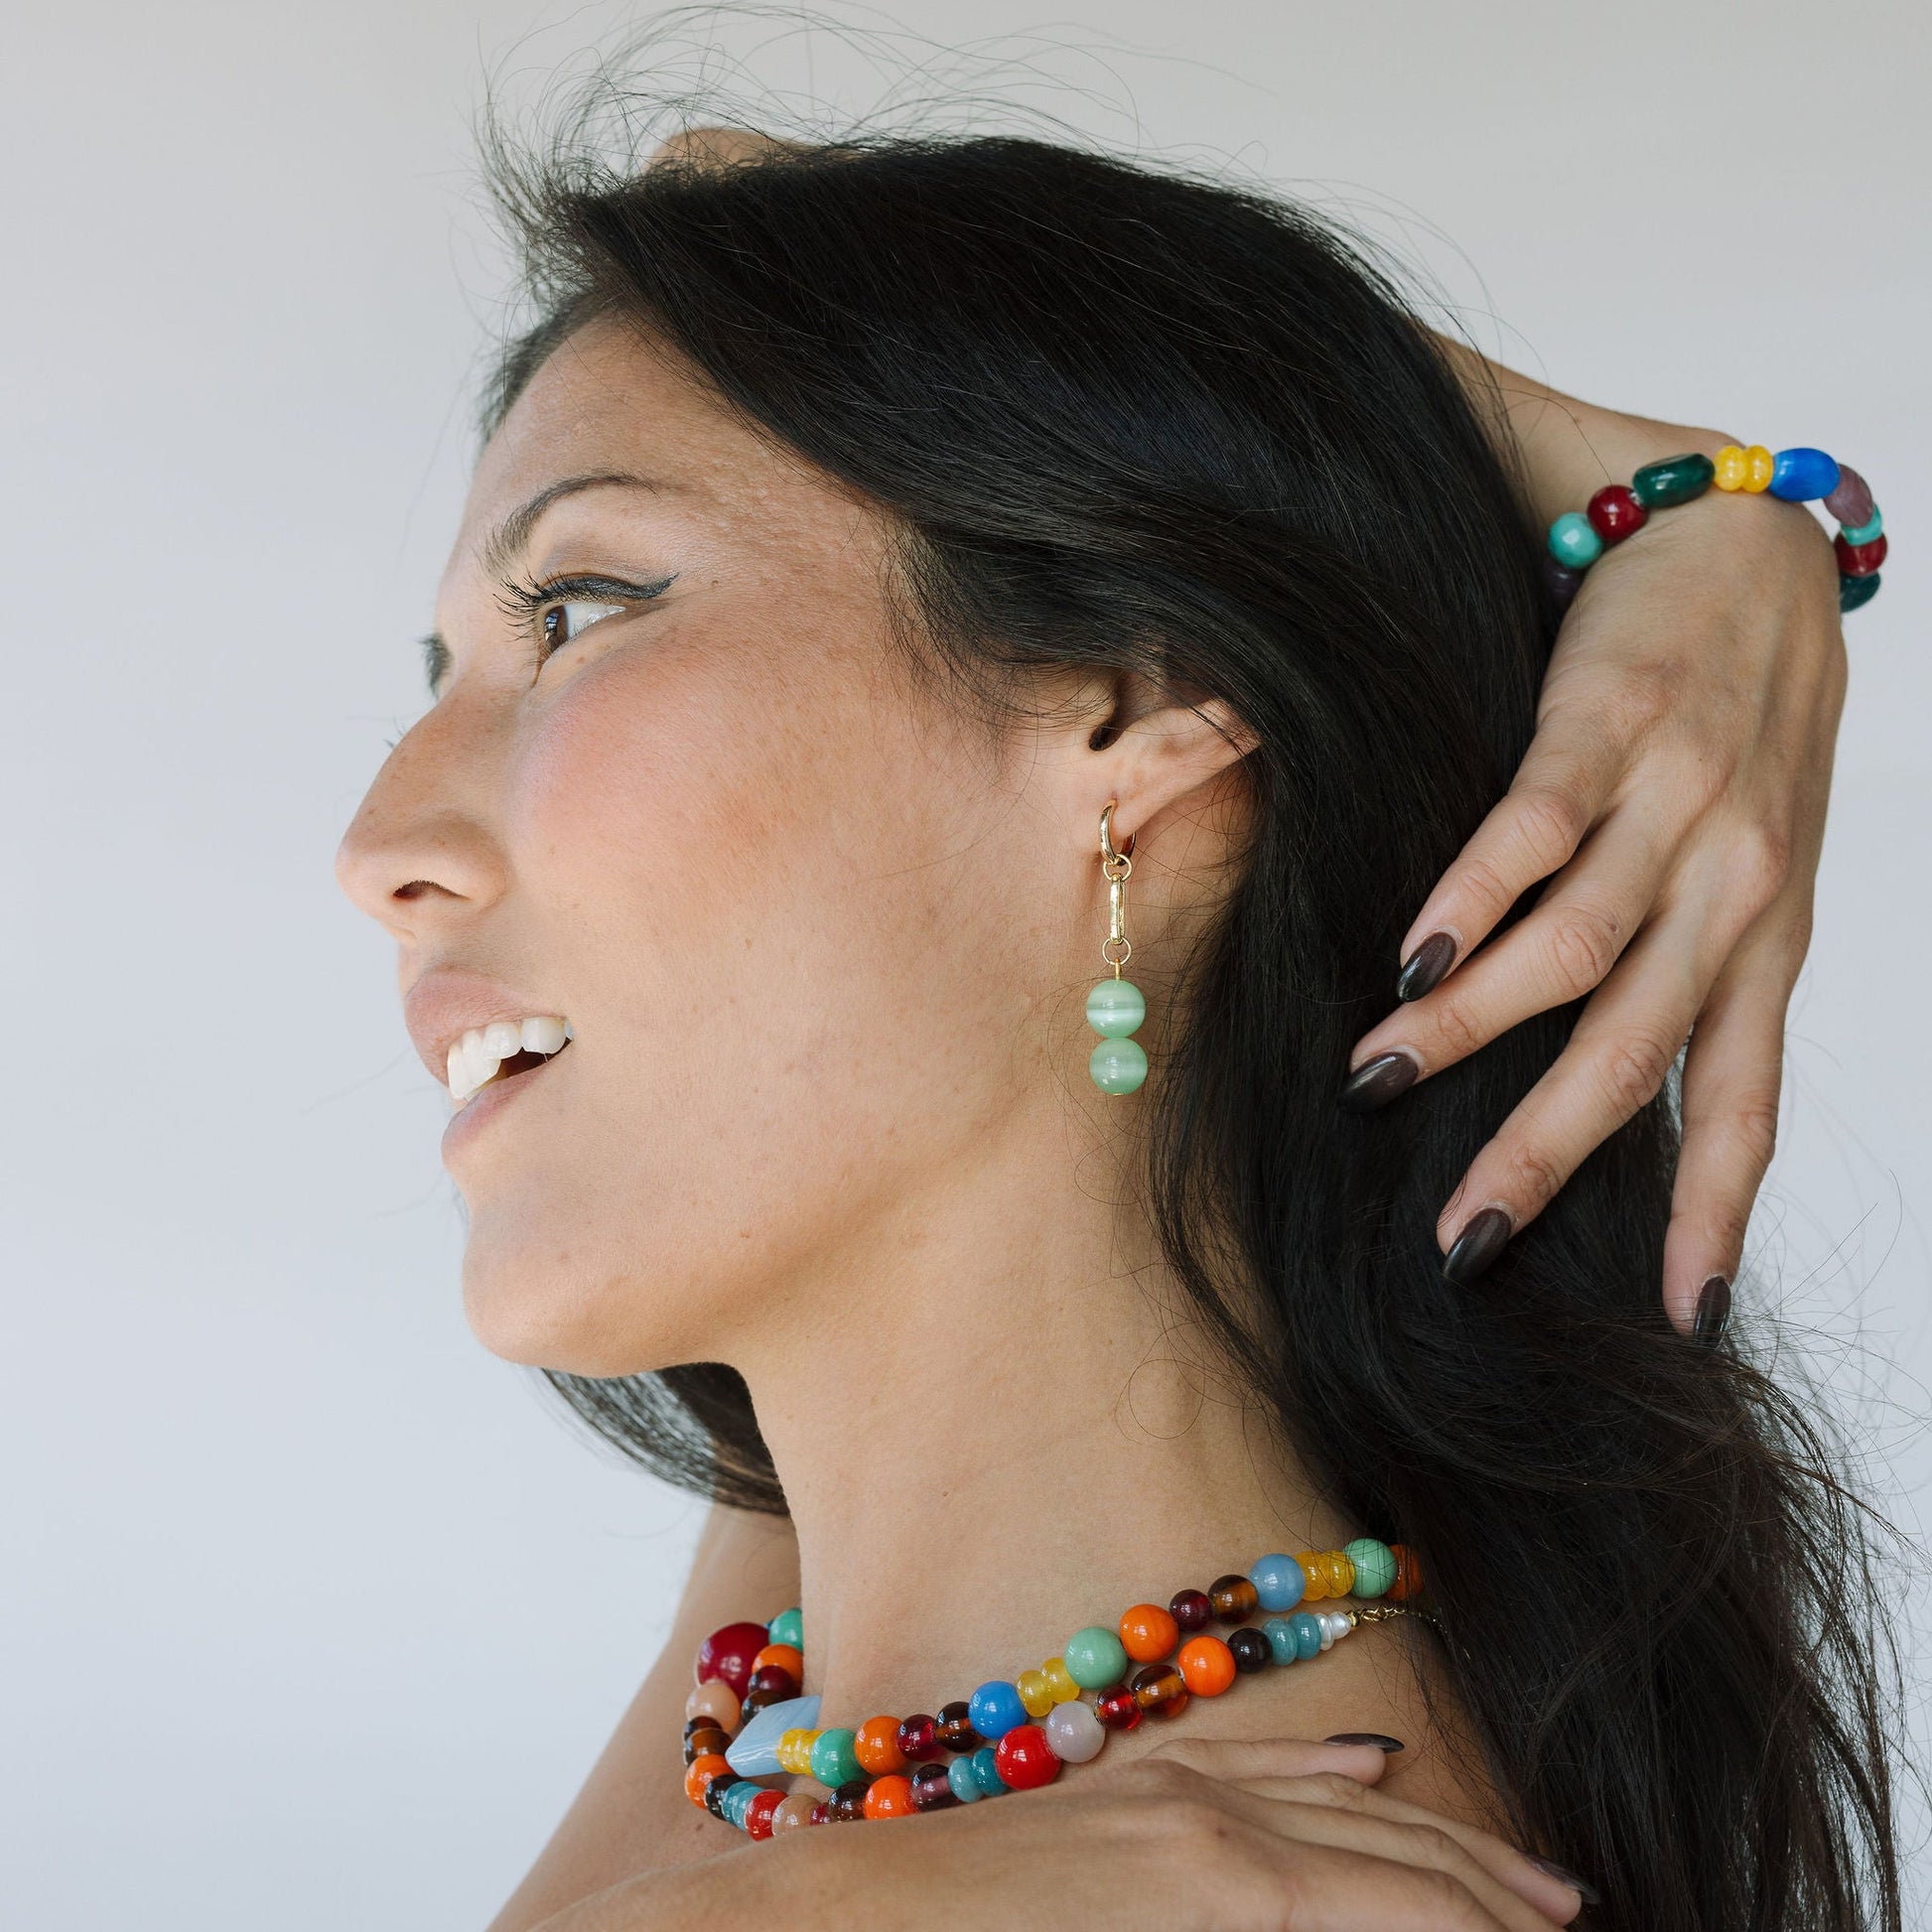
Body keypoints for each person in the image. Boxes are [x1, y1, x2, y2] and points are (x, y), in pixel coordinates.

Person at [335, 116, 1901, 1932]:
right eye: (438, 674)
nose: (379, 847)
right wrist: (1713, 500)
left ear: (1134, 701)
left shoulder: (1284, 1881)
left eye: (579, 606)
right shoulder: (826, 1689)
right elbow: (718, 174)